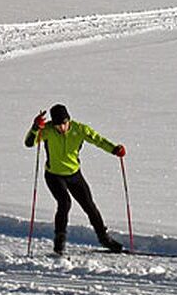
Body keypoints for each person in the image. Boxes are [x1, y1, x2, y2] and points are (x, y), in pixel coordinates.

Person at [24, 103, 126, 255]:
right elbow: (29, 143)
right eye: (58, 125)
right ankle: (59, 242)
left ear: (68, 120)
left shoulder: (80, 129)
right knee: (64, 202)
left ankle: (104, 238)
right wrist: (35, 127)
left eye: (64, 124)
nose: (61, 128)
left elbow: (97, 139)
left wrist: (114, 149)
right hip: (54, 175)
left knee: (89, 205)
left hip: (74, 175)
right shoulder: (47, 130)